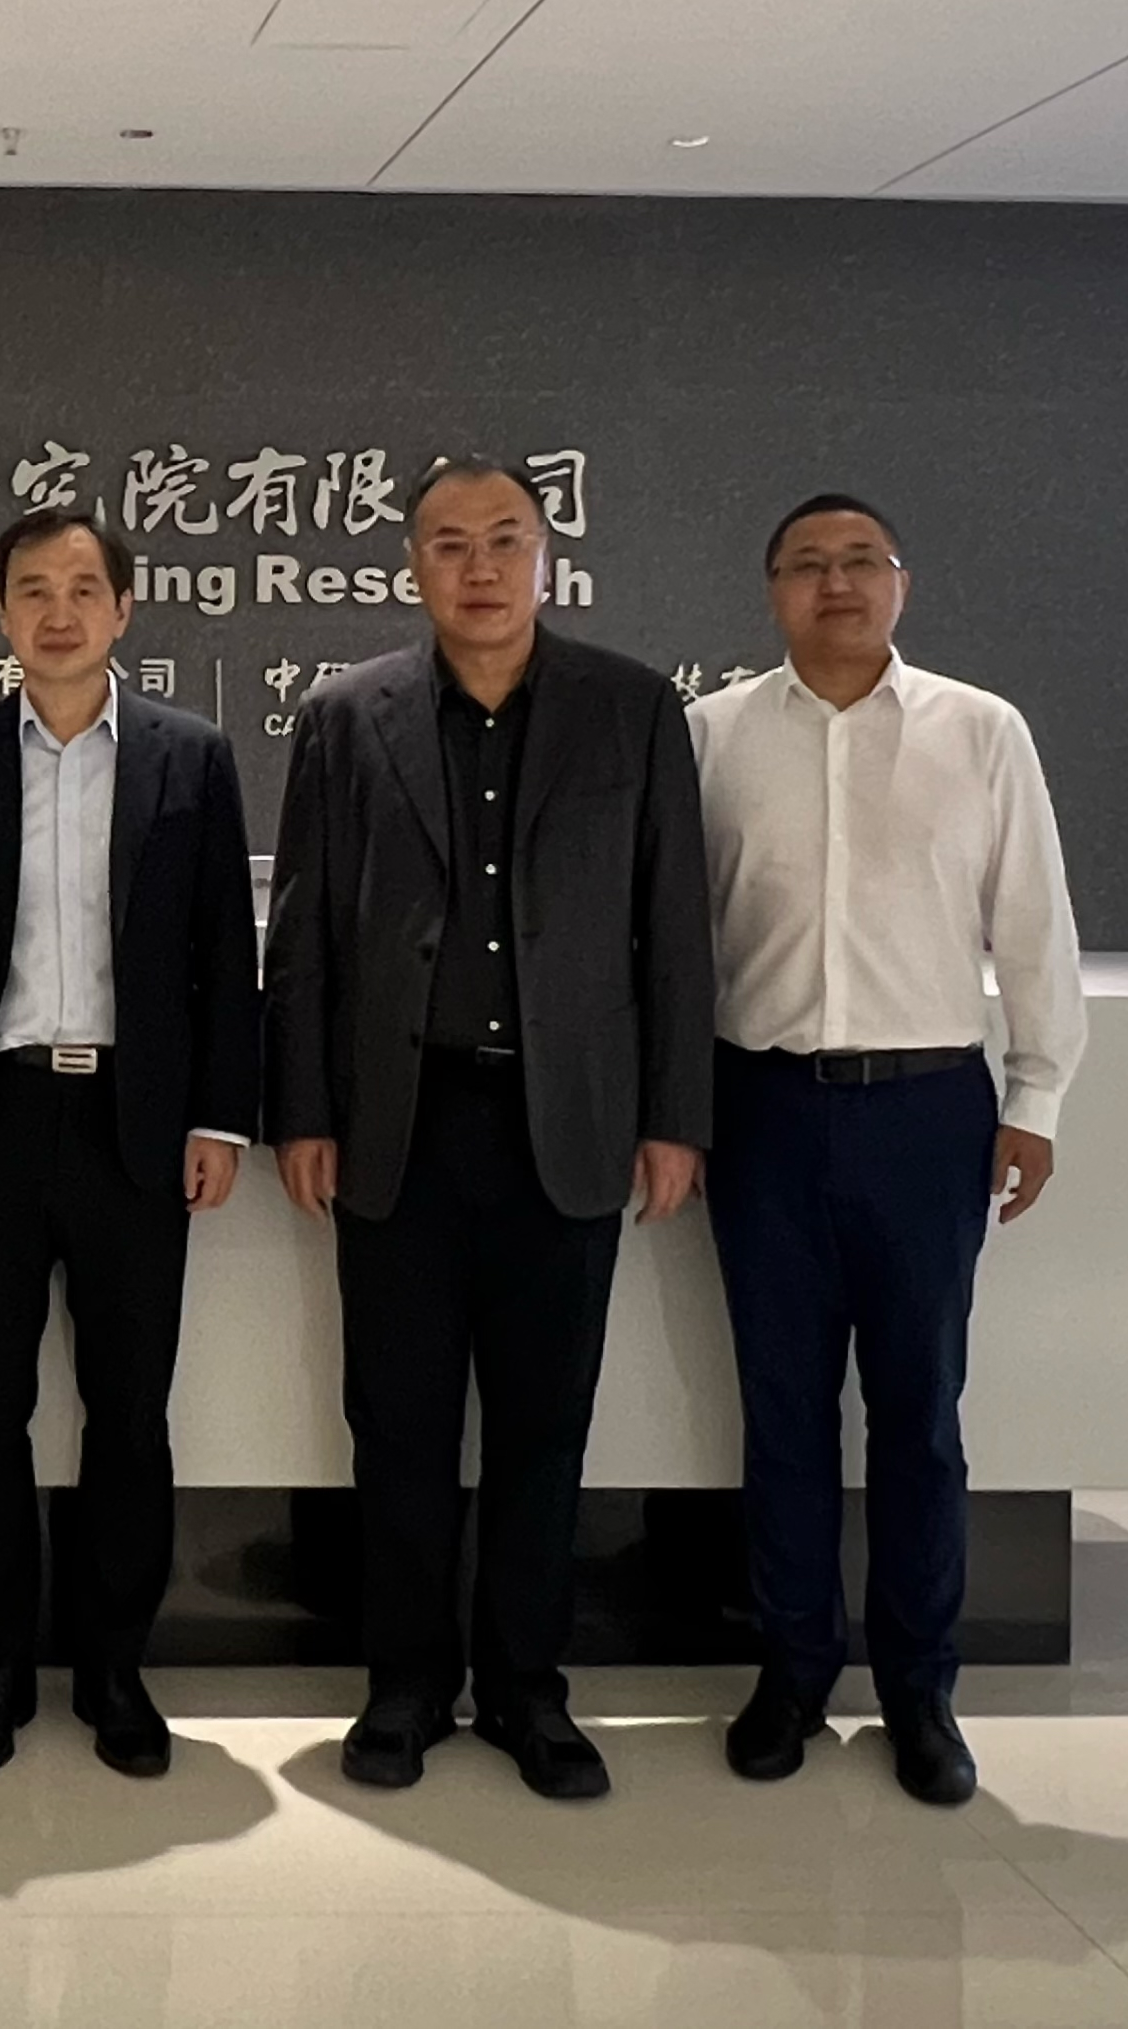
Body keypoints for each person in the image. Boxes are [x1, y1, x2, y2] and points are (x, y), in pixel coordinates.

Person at [264, 456, 713, 1802]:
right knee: (397, 1421)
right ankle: (404, 1684)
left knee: (543, 1422)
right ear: (413, 563)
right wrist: (302, 1109)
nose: (478, 566)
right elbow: (305, 932)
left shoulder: (632, 708)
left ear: (544, 556)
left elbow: (672, 927)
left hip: (564, 1121)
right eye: (449, 542)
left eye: (504, 538)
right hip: (400, 1124)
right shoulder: (346, 715)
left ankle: (527, 1687)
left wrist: (673, 1115)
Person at [690, 492, 1085, 1807]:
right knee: (783, 1411)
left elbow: (1033, 925)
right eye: (807, 563)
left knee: (919, 1413)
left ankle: (921, 1689)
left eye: (862, 560)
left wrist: (1036, 1094)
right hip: (760, 1106)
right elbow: (675, 937)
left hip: (926, 1112)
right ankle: (793, 1672)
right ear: (772, 591)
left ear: (901, 582)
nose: (837, 582)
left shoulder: (981, 730)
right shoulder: (712, 737)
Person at [0, 510, 260, 1780]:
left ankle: (113, 1664)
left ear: (124, 609)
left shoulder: (191, 757)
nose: (58, 612)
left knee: (129, 1409)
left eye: (83, 588)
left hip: (134, 1126)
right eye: (32, 589)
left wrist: (217, 1115)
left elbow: (223, 950)